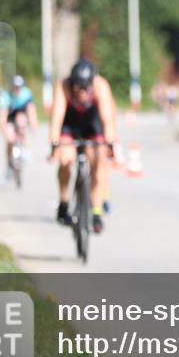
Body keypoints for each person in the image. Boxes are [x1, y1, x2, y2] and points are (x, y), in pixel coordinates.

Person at [48, 58, 117, 233]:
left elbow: (107, 119)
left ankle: (96, 212)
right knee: (65, 160)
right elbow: (56, 119)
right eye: (77, 87)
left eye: (85, 88)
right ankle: (64, 204)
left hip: (92, 125)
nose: (81, 92)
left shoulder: (101, 86)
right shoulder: (64, 86)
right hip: (70, 124)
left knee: (98, 162)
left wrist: (110, 144)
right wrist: (55, 145)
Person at [0, 75, 38, 178]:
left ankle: (26, 149)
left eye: (19, 87)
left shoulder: (26, 94)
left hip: (21, 114)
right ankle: (9, 165)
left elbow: (31, 110)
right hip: (10, 116)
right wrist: (3, 127)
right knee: (10, 140)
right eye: (15, 87)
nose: (17, 90)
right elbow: (3, 114)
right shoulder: (5, 95)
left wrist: (33, 124)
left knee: (21, 122)